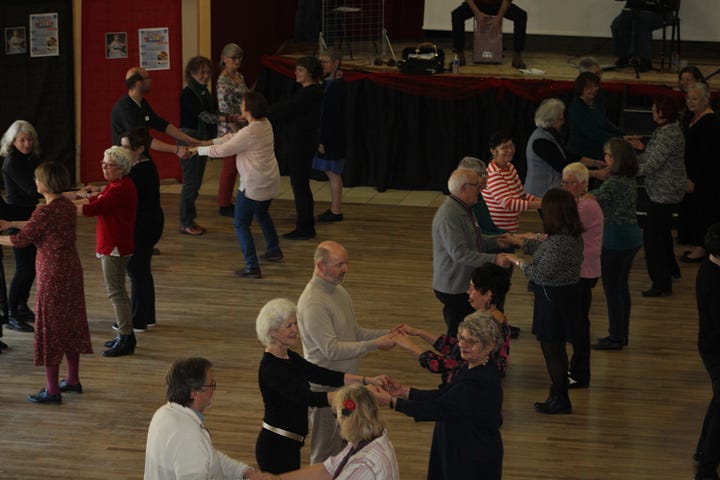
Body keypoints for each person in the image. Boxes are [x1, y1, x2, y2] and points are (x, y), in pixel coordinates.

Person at [255, 298, 389, 474]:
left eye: (296, 324)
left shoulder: (290, 357)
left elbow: (323, 375)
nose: (296, 330)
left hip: (290, 445)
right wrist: (359, 393)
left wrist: (366, 380)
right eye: (289, 326)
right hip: (276, 448)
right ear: (272, 332)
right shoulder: (271, 368)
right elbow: (309, 398)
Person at [297, 240, 397, 464]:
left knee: (347, 449)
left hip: (347, 386)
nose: (346, 269)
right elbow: (331, 350)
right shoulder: (313, 302)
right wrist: (376, 344)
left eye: (346, 263)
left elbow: (355, 332)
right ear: (320, 266)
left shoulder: (338, 291)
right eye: (339, 264)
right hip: (327, 390)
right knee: (325, 455)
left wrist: (387, 334)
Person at [0, 162, 92, 404]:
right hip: (72, 270)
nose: (35, 182)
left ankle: (52, 390)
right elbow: (35, 227)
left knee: (50, 329)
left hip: (52, 275)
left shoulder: (45, 212)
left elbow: (21, 240)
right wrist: (11, 225)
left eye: (37, 179)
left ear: (46, 184)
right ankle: (72, 380)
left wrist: (2, 235)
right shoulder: (66, 207)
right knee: (71, 323)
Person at [376, 311, 505, 480]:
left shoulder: (479, 381)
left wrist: (391, 402)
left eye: (471, 341)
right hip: (458, 446)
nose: (463, 345)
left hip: (471, 457)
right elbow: (443, 395)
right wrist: (405, 391)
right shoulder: (470, 366)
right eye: (461, 338)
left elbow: (436, 408)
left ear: (489, 346)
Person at [506, 188, 583, 414]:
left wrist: (516, 261)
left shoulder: (560, 241)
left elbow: (540, 273)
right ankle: (557, 394)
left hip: (553, 301)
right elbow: (545, 249)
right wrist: (519, 241)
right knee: (555, 349)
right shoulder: (569, 234)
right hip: (563, 298)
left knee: (553, 349)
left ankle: (560, 398)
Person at [194, 91, 282, 279]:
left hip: (255, 184)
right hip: (270, 180)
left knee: (241, 224)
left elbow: (224, 149)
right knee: (262, 213)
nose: (240, 106)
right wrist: (203, 144)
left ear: (248, 110)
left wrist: (198, 150)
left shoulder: (249, 132)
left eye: (242, 104)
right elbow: (232, 138)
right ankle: (274, 249)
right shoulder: (265, 124)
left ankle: (252, 266)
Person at [144, 357, 262, 479]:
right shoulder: (188, 436)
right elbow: (196, 454)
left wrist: (243, 472)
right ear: (195, 393)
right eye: (211, 385)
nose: (213, 390)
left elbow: (207, 455)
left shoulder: (163, 413)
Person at [396, 263, 512, 385]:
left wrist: (408, 345)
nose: (468, 292)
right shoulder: (498, 318)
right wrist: (419, 332)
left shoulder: (480, 327)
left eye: (472, 288)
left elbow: (443, 364)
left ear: (487, 295)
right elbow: (454, 347)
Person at [434, 168, 512, 338]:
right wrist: (495, 258)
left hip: (463, 282)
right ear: (463, 188)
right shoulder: (450, 215)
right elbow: (460, 254)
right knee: (458, 334)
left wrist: (495, 240)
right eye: (476, 185)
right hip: (454, 286)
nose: (480, 188)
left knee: (468, 332)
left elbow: (474, 239)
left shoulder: (465, 209)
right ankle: (456, 362)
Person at [75, 146, 138, 357]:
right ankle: (124, 334)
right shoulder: (116, 185)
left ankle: (127, 337)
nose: (103, 167)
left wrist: (61, 205)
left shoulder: (120, 188)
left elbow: (91, 209)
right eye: (102, 163)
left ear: (121, 168)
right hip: (113, 244)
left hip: (115, 246)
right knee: (117, 291)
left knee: (116, 292)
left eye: (108, 164)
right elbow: (97, 201)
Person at [264, 384, 400, 480]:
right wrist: (278, 478)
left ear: (345, 418)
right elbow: (327, 470)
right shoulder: (368, 440)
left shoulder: (363, 465)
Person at [625, 94, 686, 296]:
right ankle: (671, 269)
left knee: (653, 239)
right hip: (663, 191)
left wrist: (623, 168)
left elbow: (651, 164)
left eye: (655, 108)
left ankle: (661, 283)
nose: (652, 111)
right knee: (662, 234)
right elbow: (650, 157)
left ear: (663, 111)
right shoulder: (665, 130)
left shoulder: (669, 134)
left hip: (664, 193)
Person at [588, 138, 642, 351]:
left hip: (616, 239)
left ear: (616, 158)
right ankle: (621, 333)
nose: (605, 159)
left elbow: (590, 198)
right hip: (631, 237)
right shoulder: (628, 178)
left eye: (608, 155)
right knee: (621, 287)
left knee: (613, 289)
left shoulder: (614, 183)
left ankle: (616, 336)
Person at [268, 56, 324, 240]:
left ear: (310, 73)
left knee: (300, 186)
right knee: (300, 186)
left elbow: (286, 109)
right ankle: (305, 225)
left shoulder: (309, 93)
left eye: (301, 70)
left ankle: (305, 227)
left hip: (301, 145)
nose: (296, 73)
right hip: (302, 143)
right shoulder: (308, 92)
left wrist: (260, 112)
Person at [561, 163, 604, 389]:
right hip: (583, 270)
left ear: (584, 184)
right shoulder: (581, 203)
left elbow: (562, 233)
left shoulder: (584, 207)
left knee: (578, 326)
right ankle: (577, 370)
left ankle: (579, 374)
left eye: (571, 183)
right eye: (564, 183)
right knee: (577, 324)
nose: (566, 187)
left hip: (582, 272)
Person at [0, 120, 43, 334]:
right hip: (17, 215)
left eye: (29, 139)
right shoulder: (13, 162)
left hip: (29, 213)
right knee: (23, 267)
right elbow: (31, 189)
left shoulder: (29, 158)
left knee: (31, 266)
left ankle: (21, 305)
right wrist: (59, 194)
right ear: (13, 141)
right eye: (22, 140)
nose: (27, 143)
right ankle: (11, 315)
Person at [110, 66, 197, 162]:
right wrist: (175, 149)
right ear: (139, 83)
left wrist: (186, 138)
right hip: (126, 161)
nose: (151, 80)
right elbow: (142, 139)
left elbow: (159, 123)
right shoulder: (125, 107)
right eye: (148, 78)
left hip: (140, 156)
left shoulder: (141, 102)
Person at [123, 129, 163, 331]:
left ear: (139, 149)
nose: (122, 151)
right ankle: (147, 316)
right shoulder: (144, 167)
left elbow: (122, 193)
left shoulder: (140, 171)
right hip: (151, 223)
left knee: (136, 271)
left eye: (125, 147)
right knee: (143, 272)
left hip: (144, 225)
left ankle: (138, 320)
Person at [524, 98, 605, 198]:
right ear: (551, 120)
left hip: (549, 193)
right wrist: (596, 174)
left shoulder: (549, 135)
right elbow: (563, 168)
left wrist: (595, 163)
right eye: (560, 119)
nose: (563, 122)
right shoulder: (541, 141)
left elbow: (569, 155)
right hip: (540, 194)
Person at [678, 82, 720, 262]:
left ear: (706, 100)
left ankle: (701, 248)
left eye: (694, 98)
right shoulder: (694, 118)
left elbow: (706, 156)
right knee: (695, 211)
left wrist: (693, 178)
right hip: (694, 176)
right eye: (688, 98)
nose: (690, 102)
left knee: (703, 212)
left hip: (704, 179)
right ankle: (698, 245)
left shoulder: (710, 122)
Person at [178, 56, 219, 235]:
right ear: (192, 73)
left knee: (197, 183)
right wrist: (228, 118)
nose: (205, 75)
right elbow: (205, 116)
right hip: (189, 139)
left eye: (208, 72)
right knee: (190, 183)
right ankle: (185, 222)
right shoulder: (187, 94)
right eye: (202, 72)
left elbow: (213, 112)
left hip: (200, 139)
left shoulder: (204, 92)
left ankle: (190, 219)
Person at [694, 223, 720, 480]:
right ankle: (706, 468)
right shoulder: (711, 279)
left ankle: (704, 452)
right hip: (714, 350)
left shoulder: (713, 268)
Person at [482, 132, 542, 232]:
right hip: (498, 230)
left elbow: (522, 195)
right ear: (493, 151)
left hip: (511, 226)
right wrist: (542, 204)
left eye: (511, 145)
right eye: (504, 147)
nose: (510, 150)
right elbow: (509, 203)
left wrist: (545, 200)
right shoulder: (493, 174)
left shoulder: (510, 167)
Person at [216, 43, 249, 217]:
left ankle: (233, 199)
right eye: (233, 57)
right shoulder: (223, 81)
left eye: (239, 57)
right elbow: (224, 110)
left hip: (243, 125)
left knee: (240, 166)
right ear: (224, 59)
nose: (237, 61)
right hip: (230, 128)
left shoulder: (239, 76)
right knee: (229, 167)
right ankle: (223, 202)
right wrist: (235, 131)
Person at [315, 48, 347, 223]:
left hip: (332, 137)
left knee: (333, 173)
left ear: (336, 63)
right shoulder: (329, 83)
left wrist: (323, 139)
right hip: (331, 135)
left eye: (326, 62)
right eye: (321, 62)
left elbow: (330, 116)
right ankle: (335, 208)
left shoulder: (336, 86)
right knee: (331, 172)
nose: (322, 65)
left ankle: (336, 210)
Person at [451, 0, 527, 68]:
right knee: (457, 14)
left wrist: (499, 18)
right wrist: (477, 13)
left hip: (498, 4)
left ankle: (517, 55)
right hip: (478, 4)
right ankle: (460, 55)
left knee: (521, 15)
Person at [566, 72, 623, 161]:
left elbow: (605, 123)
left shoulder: (596, 103)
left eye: (595, 86)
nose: (593, 90)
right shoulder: (576, 108)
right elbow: (594, 133)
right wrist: (619, 140)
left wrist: (622, 135)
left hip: (597, 152)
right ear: (581, 88)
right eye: (588, 87)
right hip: (581, 155)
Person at [610, 0, 668, 72]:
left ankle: (645, 60)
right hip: (634, 11)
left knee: (642, 23)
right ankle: (624, 56)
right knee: (618, 24)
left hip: (659, 12)